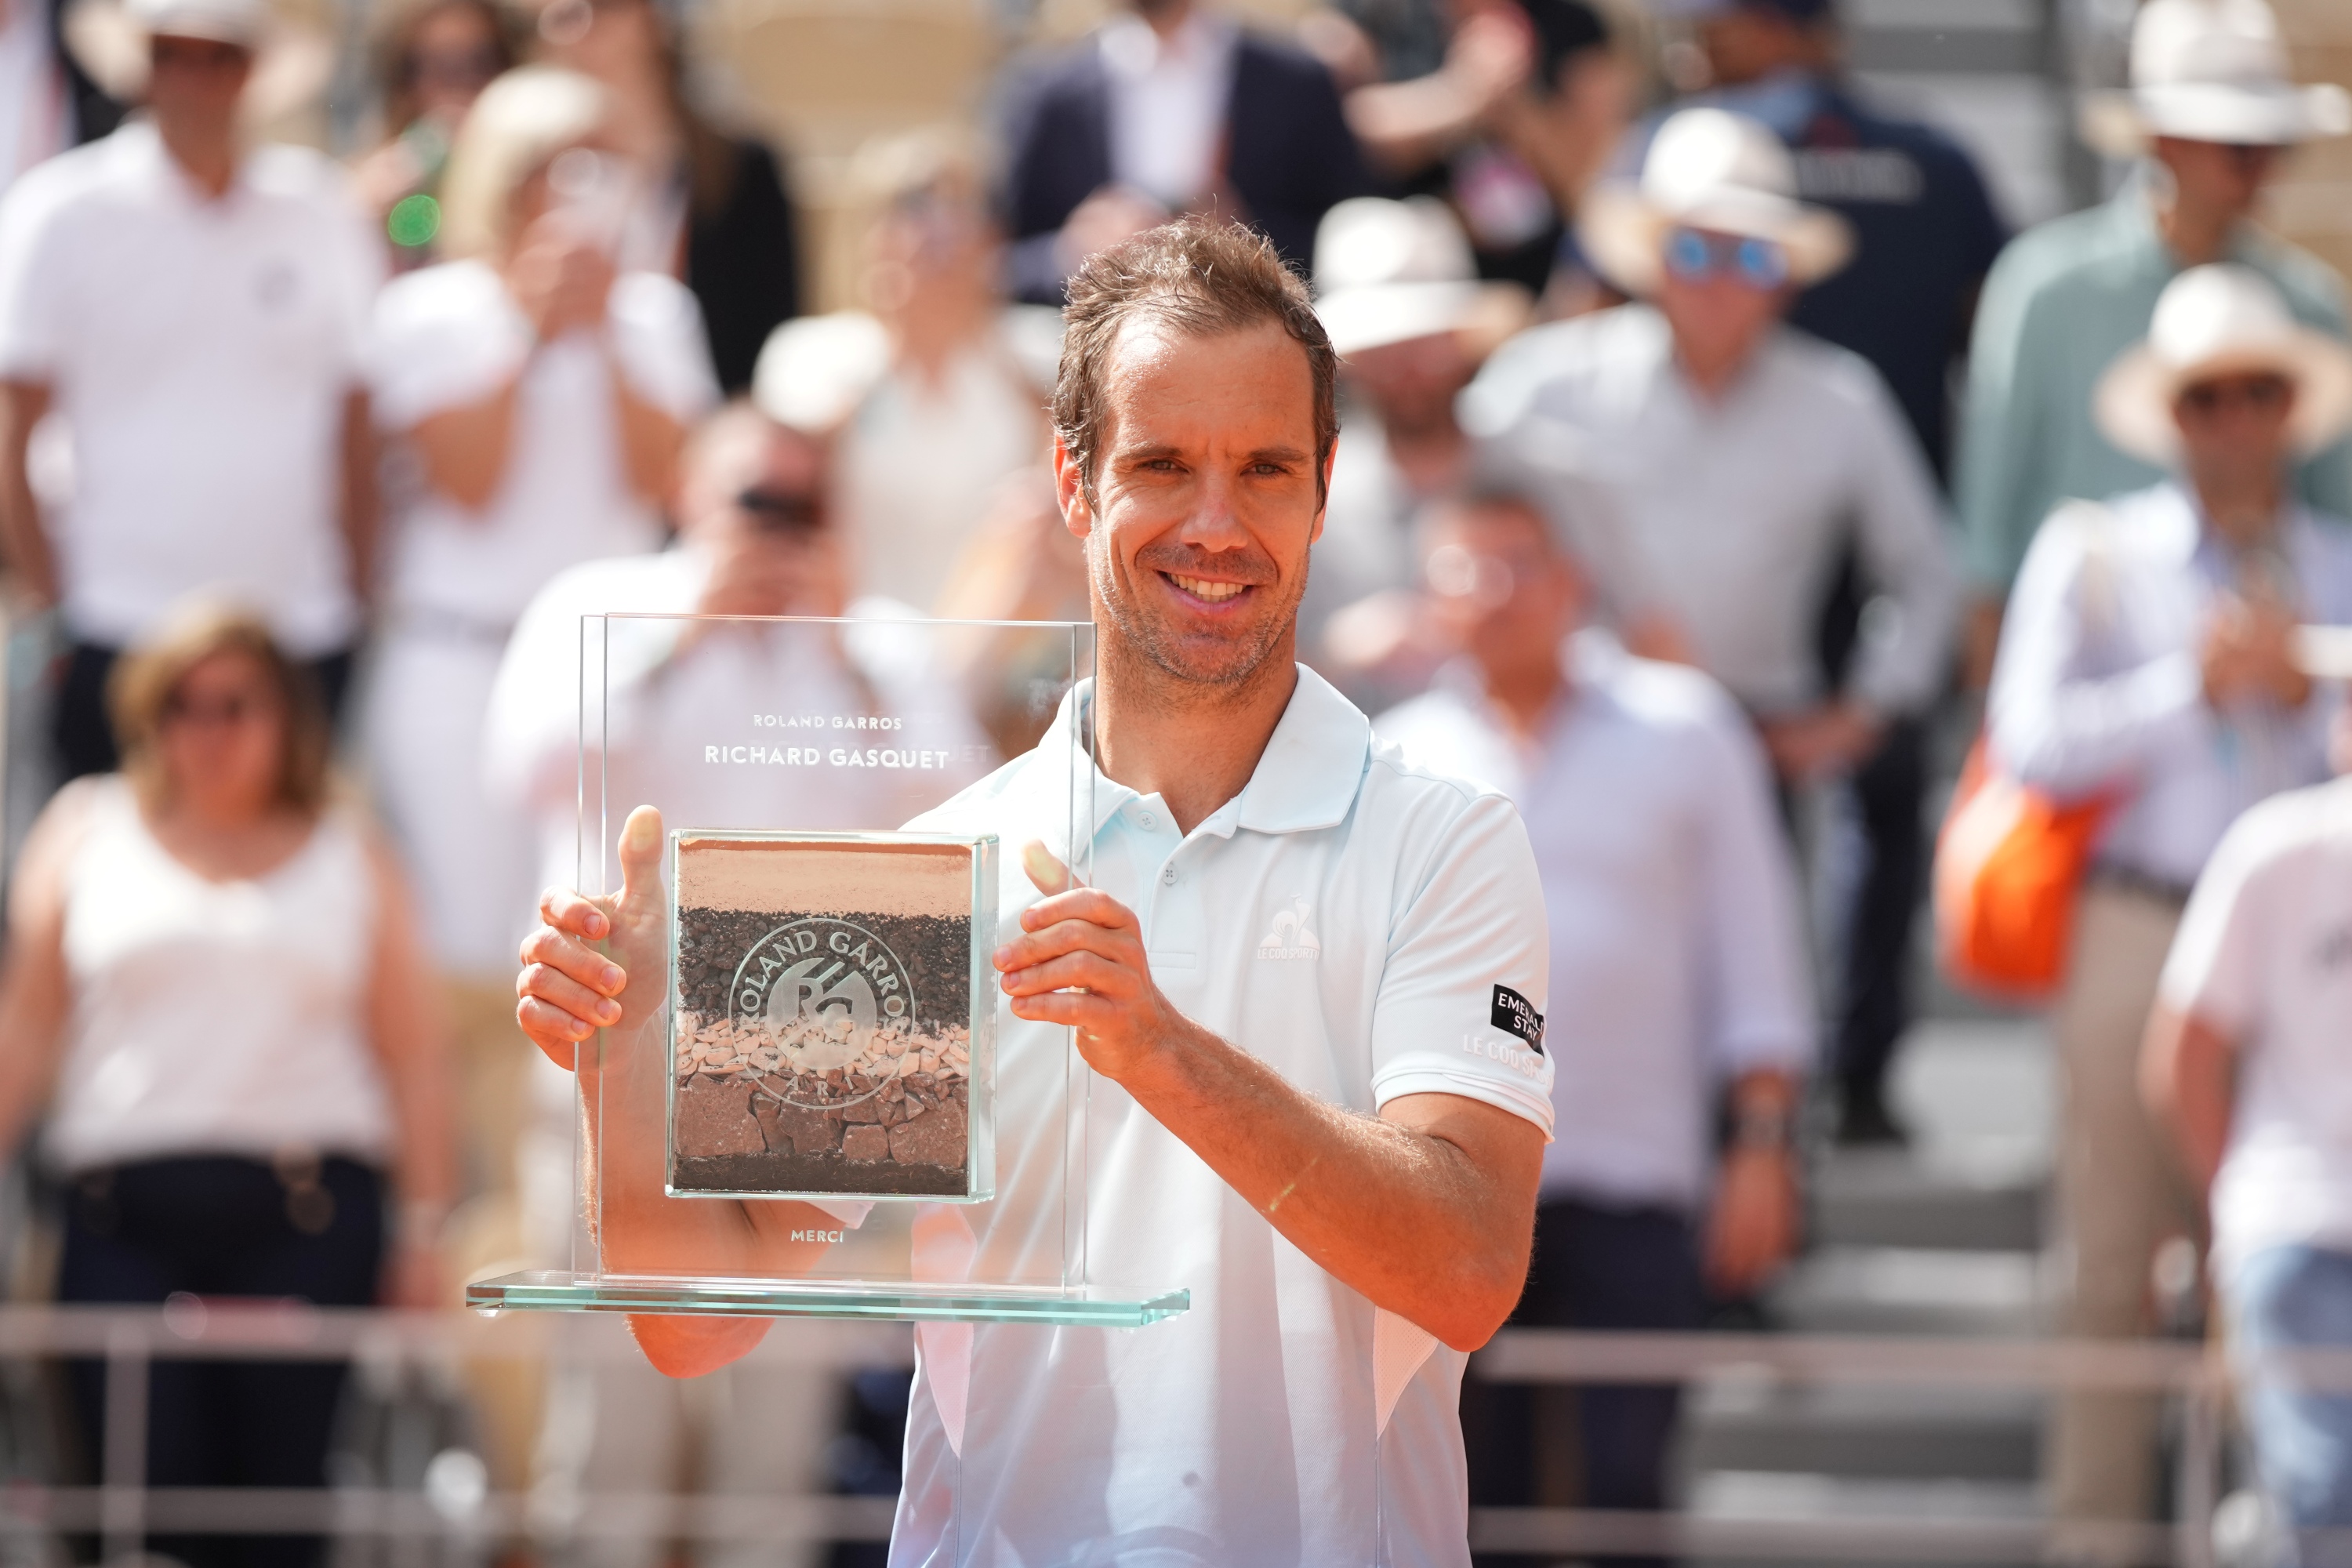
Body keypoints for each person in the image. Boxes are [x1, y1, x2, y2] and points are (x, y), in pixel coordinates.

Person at [517, 217, 1556, 1560]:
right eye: (1163, 465)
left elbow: (1467, 1272)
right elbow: (696, 1321)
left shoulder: (1445, 842)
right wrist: (619, 1064)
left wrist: (1163, 1051)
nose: (1217, 523)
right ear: (1074, 484)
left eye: (1263, 468)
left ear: (1323, 489)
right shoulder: (942, 863)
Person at [1462, 105, 1959, 1145]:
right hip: (1580, 727)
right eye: (1694, 249)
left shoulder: (1840, 403)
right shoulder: (1547, 384)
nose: (1721, 278)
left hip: (1760, 735)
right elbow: (1449, 492)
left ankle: (1755, 1205)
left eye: (1750, 254)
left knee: (1755, 1003)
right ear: (1652, 259)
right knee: (1585, 992)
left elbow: (1926, 573)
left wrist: (1860, 714)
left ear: (1785, 273)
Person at [1986, 262, 2352, 1540]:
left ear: (2291, 409)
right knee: (2111, 1268)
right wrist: (2190, 690)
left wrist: (2301, 700)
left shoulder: (2339, 561)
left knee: (2297, 1251)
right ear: (2174, 415)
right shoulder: (2096, 551)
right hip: (2140, 923)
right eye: (2209, 397)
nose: (2236, 421)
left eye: (2259, 393)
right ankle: (2097, 1545)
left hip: (2309, 940)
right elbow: (2030, 746)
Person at [1376, 489, 1812, 1559]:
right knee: (1475, 1498)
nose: (1496, 595)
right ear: (1428, 599)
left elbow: (1756, 950)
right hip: (1455, 1179)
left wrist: (1762, 1142)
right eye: (1465, 571)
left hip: (1638, 1170)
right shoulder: (1391, 757)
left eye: (1519, 564)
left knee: (1627, 1487)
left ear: (1574, 580)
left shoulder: (1686, 728)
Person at [360, 58, 714, 1354]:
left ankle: (582, 1237)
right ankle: (466, 1254)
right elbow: (464, 477)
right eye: (543, 171)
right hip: (457, 669)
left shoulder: (655, 313)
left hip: (602, 677)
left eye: (594, 167)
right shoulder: (435, 309)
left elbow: (672, 479)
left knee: (595, 951)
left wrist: (603, 327)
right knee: (470, 971)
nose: (570, 196)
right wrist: (527, 323)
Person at [0, 604, 455, 1568]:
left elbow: (414, 1053)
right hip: (119, 1223)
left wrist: (424, 1230)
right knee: (139, 1513)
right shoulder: (83, 827)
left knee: (277, 1515)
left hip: (304, 1223)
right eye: (183, 704)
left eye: (235, 704)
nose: (208, 730)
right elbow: (25, 1026)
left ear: (287, 715)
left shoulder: (351, 848)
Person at [0, 0, 383, 782]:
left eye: (218, 56)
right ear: (142, 69)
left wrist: (359, 584)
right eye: (171, 53)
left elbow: (355, 414)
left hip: (295, 621)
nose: (193, 78)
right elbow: (15, 421)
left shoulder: (323, 210)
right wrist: (53, 600)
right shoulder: (60, 211)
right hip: (116, 619)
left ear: (253, 73)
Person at [1955, 0, 2351, 622]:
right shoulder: (2046, 290)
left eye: (2273, 144)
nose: (2262, 168)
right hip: (2078, 654)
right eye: (2239, 145)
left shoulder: (2312, 308)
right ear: (2163, 142)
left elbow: (2336, 517)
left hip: (2260, 659)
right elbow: (1987, 537)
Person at [2143, 709, 2352, 1556]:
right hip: (2295, 1228)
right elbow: (2184, 1054)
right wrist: (2236, 1206)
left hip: (2282, 1228)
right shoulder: (2273, 848)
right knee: (2322, 1503)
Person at [1652, 0, 2006, 480]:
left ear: (1781, 34)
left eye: (1711, 38)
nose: (1686, 61)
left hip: (1720, 497)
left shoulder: (1678, 153)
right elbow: (1998, 347)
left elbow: (1591, 309)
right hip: (1908, 485)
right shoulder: (1939, 161)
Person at [750, 129, 1055, 615]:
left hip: (1011, 640)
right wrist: (900, 341)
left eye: (960, 208)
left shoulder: (1046, 347)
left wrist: (981, 332)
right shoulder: (809, 354)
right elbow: (791, 491)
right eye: (913, 208)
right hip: (859, 635)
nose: (938, 232)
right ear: (870, 236)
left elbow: (1071, 481)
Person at [996, 0, 1372, 305]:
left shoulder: (1297, 83)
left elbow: (1357, 233)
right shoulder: (1048, 96)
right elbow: (998, 261)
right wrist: (1072, 251)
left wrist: (1246, 239)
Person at [526, 0, 799, 391]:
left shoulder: (742, 169)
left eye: (605, 5)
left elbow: (772, 333)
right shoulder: (528, 171)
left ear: (656, 17)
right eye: (562, 14)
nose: (584, 25)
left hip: (711, 415)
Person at [1301, 194, 1510, 695]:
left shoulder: (1537, 474)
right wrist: (1341, 650)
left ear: (1461, 342)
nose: (1407, 369)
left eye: (1424, 344)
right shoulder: (1311, 501)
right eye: (1383, 350)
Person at [1330, 0, 1632, 299]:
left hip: (1549, 280)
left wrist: (1515, 105)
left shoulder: (1572, 23)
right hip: (1416, 277)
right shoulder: (1379, 13)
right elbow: (1344, 127)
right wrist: (1462, 95)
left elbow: (1593, 177)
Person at [350, 0, 517, 268]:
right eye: (437, 66)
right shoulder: (369, 191)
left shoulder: (535, 179)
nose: (460, 83)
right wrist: (357, 219)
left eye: (482, 61)